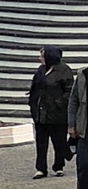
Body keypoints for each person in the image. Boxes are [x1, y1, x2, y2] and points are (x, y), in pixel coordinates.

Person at [29, 46, 73, 179]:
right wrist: (32, 104)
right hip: (41, 113)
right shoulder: (41, 70)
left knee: (58, 141)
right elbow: (35, 89)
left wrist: (59, 103)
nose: (39, 58)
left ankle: (59, 166)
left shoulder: (64, 70)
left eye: (42, 55)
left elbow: (69, 90)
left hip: (57, 114)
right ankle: (41, 168)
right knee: (41, 143)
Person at [68, 64, 88, 189]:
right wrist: (71, 125)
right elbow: (73, 101)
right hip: (85, 129)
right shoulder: (82, 74)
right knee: (84, 165)